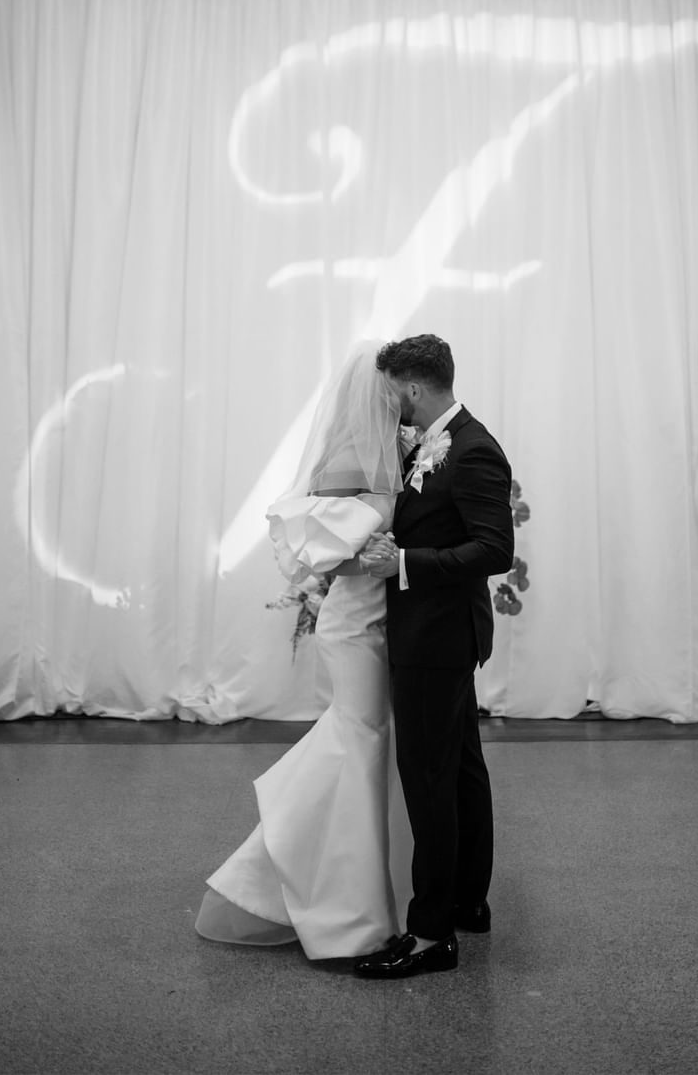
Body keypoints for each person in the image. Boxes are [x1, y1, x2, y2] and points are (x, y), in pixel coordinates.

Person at [194, 341, 412, 960]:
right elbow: (321, 550)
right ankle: (344, 907)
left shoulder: (393, 452)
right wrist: (370, 558)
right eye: (394, 388)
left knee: (373, 744)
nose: (400, 398)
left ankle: (385, 892)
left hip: (380, 618)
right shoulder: (351, 458)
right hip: (356, 621)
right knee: (360, 741)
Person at [354, 334, 514, 980]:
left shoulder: (473, 450)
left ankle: (429, 935)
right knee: (462, 772)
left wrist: (402, 563)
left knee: (429, 780)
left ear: (413, 389)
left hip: (436, 639)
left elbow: (494, 550)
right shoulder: (432, 441)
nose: (387, 402)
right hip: (442, 635)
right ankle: (468, 901)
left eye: (391, 391)